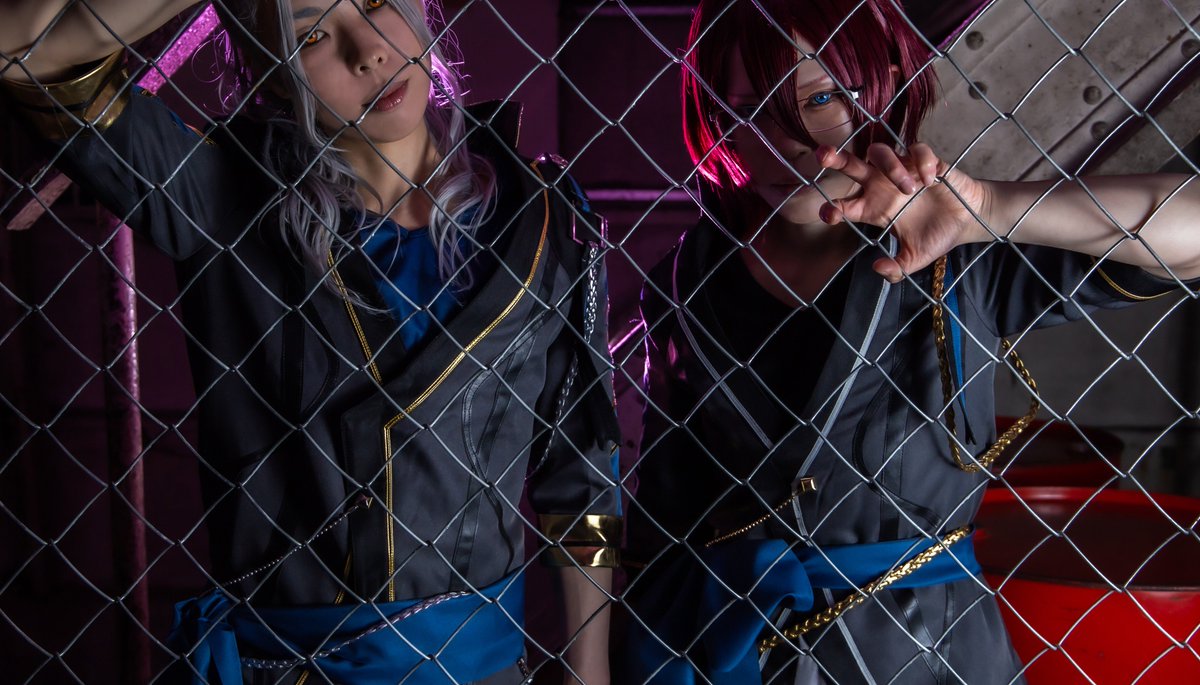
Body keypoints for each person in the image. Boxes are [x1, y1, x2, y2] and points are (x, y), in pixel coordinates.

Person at [1, 1, 620, 683]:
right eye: (313, 34)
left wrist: (588, 673)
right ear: (267, 67)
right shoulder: (224, 197)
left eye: (377, 1)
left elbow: (584, 479)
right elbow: (25, 51)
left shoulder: (544, 216)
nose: (369, 51)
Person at [623, 1, 1200, 683]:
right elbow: (662, 519)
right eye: (749, 109)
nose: (786, 138)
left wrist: (989, 210)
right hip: (736, 654)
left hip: (933, 657)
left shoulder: (957, 253)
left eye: (821, 98)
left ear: (884, 83)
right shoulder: (686, 281)